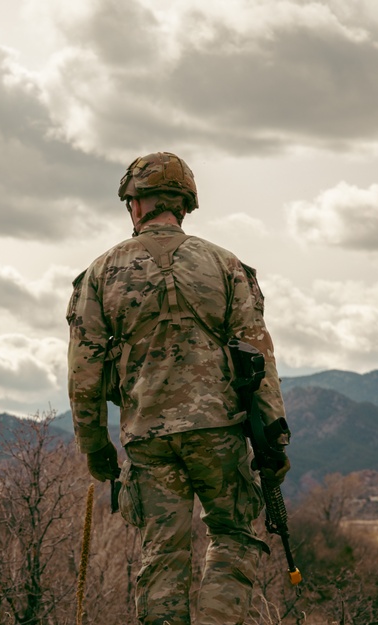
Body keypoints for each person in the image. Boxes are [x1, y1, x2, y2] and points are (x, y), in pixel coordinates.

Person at [66, 152, 290, 624]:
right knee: (233, 535)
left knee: (162, 555)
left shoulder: (100, 273)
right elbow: (259, 357)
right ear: (184, 205)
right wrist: (274, 439)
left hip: (146, 437)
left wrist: (96, 450)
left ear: (134, 204)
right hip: (219, 431)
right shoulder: (225, 265)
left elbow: (83, 375)